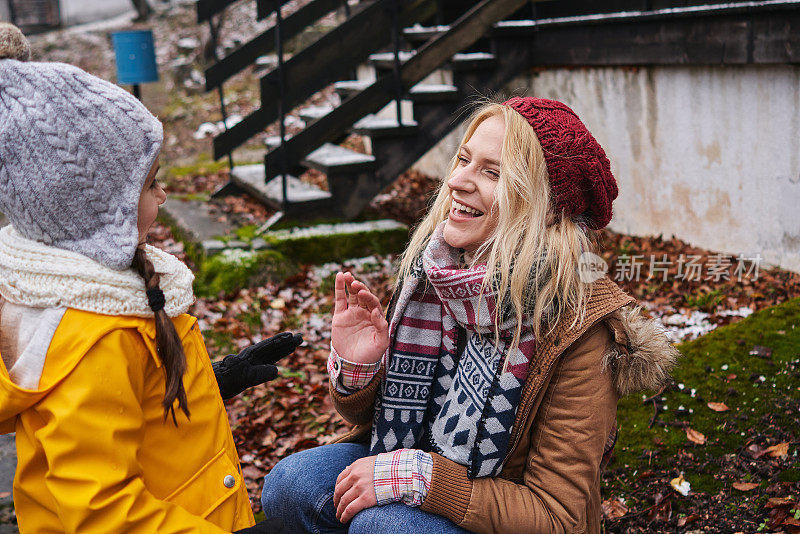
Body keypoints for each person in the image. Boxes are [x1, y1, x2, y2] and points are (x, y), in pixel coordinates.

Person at [260, 97, 680, 534]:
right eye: (463, 160)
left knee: (384, 526)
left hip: (504, 512)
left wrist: (424, 480)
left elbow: (560, 516)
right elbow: (376, 421)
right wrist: (361, 368)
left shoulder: (580, 329)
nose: (457, 181)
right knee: (291, 485)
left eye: (492, 172)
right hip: (423, 475)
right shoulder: (438, 271)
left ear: (543, 205)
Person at [0, 24, 299, 533]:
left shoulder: (93, 286)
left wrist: (205, 382)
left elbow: (119, 410)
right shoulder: (93, 334)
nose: (162, 196)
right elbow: (103, 514)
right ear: (93, 208)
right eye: (151, 182)